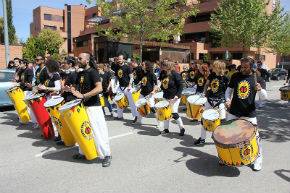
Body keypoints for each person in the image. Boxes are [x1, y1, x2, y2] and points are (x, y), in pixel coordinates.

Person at [65, 53, 112, 167]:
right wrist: (70, 89)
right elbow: (78, 88)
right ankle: (83, 151)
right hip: (83, 106)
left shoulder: (93, 72)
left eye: (80, 58)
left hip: (93, 107)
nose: (78, 60)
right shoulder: (81, 73)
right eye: (77, 58)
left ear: (87, 60)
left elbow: (99, 88)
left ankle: (106, 155)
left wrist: (84, 96)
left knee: (98, 131)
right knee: (84, 131)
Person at [225, 57, 267, 171]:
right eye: (241, 66)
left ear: (252, 67)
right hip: (234, 111)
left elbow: (264, 97)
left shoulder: (257, 79)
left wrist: (259, 90)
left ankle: (258, 158)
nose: (242, 69)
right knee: (229, 135)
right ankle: (227, 156)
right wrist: (227, 100)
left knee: (255, 136)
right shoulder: (236, 76)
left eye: (245, 67)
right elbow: (228, 90)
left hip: (249, 113)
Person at [194, 61, 229, 145]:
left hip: (220, 101)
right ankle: (202, 138)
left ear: (219, 67)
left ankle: (222, 139)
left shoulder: (225, 77)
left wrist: (228, 99)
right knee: (204, 118)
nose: (212, 67)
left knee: (222, 121)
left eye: (214, 66)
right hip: (209, 100)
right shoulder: (212, 75)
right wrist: (205, 92)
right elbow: (207, 84)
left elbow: (229, 89)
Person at [158, 60, 185, 136]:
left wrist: (177, 95)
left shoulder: (175, 74)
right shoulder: (164, 74)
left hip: (174, 97)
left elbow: (181, 85)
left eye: (164, 65)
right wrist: (160, 88)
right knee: (166, 113)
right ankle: (166, 129)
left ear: (168, 66)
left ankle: (182, 128)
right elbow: (164, 83)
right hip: (166, 96)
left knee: (174, 113)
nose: (163, 66)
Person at [113, 54, 141, 123]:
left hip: (127, 87)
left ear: (123, 60)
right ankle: (120, 116)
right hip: (120, 87)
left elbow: (131, 77)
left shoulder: (127, 67)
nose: (119, 60)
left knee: (132, 103)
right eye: (118, 59)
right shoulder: (117, 67)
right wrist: (115, 84)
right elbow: (116, 76)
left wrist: (129, 85)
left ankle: (136, 117)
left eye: (120, 59)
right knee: (118, 101)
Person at [13, 59, 38, 126]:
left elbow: (29, 82)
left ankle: (35, 121)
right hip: (21, 90)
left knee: (29, 107)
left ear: (25, 64)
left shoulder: (29, 71)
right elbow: (20, 79)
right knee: (22, 105)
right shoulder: (20, 70)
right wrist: (16, 80)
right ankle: (23, 120)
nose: (20, 64)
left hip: (27, 90)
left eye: (21, 63)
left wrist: (20, 84)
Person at [138, 60, 160, 127]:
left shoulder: (151, 74)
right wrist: (138, 88)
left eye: (143, 65)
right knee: (139, 106)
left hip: (149, 93)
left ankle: (159, 122)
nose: (141, 66)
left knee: (152, 108)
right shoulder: (142, 73)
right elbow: (142, 83)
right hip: (142, 93)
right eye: (141, 64)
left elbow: (156, 83)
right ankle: (139, 120)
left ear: (147, 66)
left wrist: (153, 91)